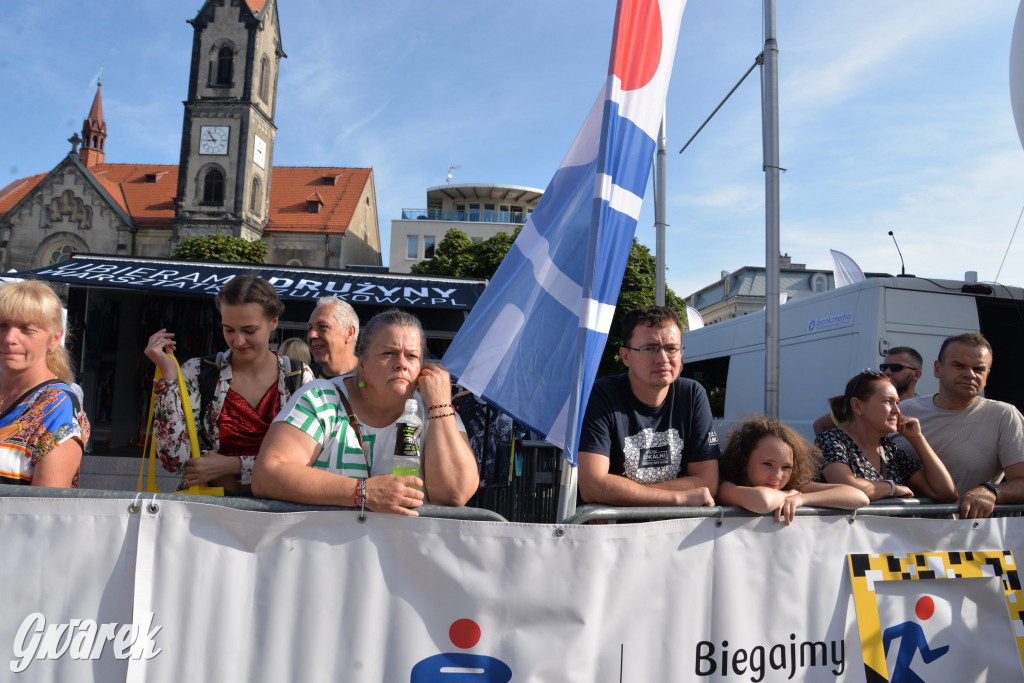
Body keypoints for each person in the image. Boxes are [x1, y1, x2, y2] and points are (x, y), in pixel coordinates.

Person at [252, 308, 479, 515]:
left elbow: (454, 494)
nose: (401, 364)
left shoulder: (436, 412)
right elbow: (269, 474)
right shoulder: (321, 398)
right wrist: (363, 492)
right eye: (388, 353)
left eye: (412, 356)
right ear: (362, 363)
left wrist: (440, 405)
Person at [145, 275, 313, 494]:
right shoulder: (197, 372)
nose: (238, 341)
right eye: (229, 329)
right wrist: (168, 379)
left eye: (249, 330)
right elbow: (173, 460)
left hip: (278, 512)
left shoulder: (298, 376)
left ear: (274, 321)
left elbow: (307, 459)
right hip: (208, 513)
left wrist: (233, 465)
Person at [577, 306, 719, 507]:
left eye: (671, 348)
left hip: (673, 531)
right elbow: (593, 485)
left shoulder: (692, 394)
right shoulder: (601, 395)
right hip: (613, 533)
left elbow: (707, 482)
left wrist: (617, 493)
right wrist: (678, 497)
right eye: (650, 348)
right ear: (626, 356)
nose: (663, 359)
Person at [893, 333, 1024, 519]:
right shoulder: (905, 410)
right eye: (959, 365)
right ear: (938, 369)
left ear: (987, 375)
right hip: (897, 538)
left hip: (964, 539)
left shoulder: (1004, 415)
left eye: (979, 369)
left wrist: (990, 491)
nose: (969, 374)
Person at [816, 370, 957, 503]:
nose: (897, 410)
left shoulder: (889, 449)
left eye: (897, 402)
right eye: (887, 402)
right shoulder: (831, 440)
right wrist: (892, 488)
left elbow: (946, 493)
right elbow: (849, 489)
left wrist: (918, 439)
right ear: (857, 406)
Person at [0, 280, 90, 487]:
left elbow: (41, 510)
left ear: (55, 338)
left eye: (26, 329)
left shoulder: (57, 407)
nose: (9, 338)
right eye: (2, 325)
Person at [718, 416, 869, 525]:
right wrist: (787, 495)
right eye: (767, 464)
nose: (777, 476)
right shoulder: (724, 486)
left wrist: (801, 499)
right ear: (744, 462)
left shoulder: (792, 486)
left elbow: (859, 497)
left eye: (786, 467)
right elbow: (763, 500)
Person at [812, 346, 923, 435]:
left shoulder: (924, 410)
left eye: (896, 367)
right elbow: (819, 425)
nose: (888, 372)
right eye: (884, 367)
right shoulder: (861, 406)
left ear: (916, 374)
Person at [306, 296, 358, 379]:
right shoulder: (305, 379)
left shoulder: (372, 378)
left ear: (349, 333)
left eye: (322, 326)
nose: (311, 335)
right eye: (310, 328)